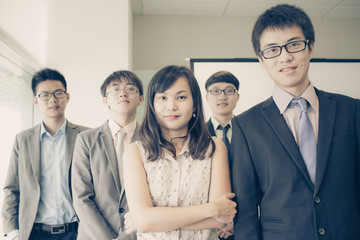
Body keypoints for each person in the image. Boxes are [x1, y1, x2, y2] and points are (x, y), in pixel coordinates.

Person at [230, 4, 360, 240]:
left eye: (294, 45)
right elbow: (246, 213)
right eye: (272, 50)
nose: (285, 57)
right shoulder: (246, 126)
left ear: (310, 48)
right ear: (261, 59)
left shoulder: (352, 110)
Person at [122, 65, 237, 240]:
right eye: (163, 97)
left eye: (181, 97)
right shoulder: (135, 152)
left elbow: (220, 219)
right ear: (152, 104)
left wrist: (153, 218)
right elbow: (144, 221)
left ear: (195, 103)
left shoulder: (215, 148)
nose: (171, 106)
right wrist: (211, 209)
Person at [2, 68, 88, 240]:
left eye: (58, 93)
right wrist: (13, 233)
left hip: (78, 232)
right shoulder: (23, 140)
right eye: (45, 95)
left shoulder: (85, 137)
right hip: (35, 233)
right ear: (35, 101)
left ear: (67, 97)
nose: (52, 99)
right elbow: (12, 189)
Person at [71, 70, 144, 240]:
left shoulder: (152, 140)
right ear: (105, 100)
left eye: (131, 88)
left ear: (141, 98)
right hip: (94, 236)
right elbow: (81, 198)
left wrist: (128, 236)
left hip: (140, 235)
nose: (123, 93)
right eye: (115, 89)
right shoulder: (86, 140)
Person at [205, 70, 240, 239]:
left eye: (229, 90)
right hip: (206, 223)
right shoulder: (196, 135)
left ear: (237, 96)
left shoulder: (251, 131)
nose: (222, 96)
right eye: (216, 91)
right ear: (207, 97)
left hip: (244, 222)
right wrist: (218, 220)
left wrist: (237, 220)